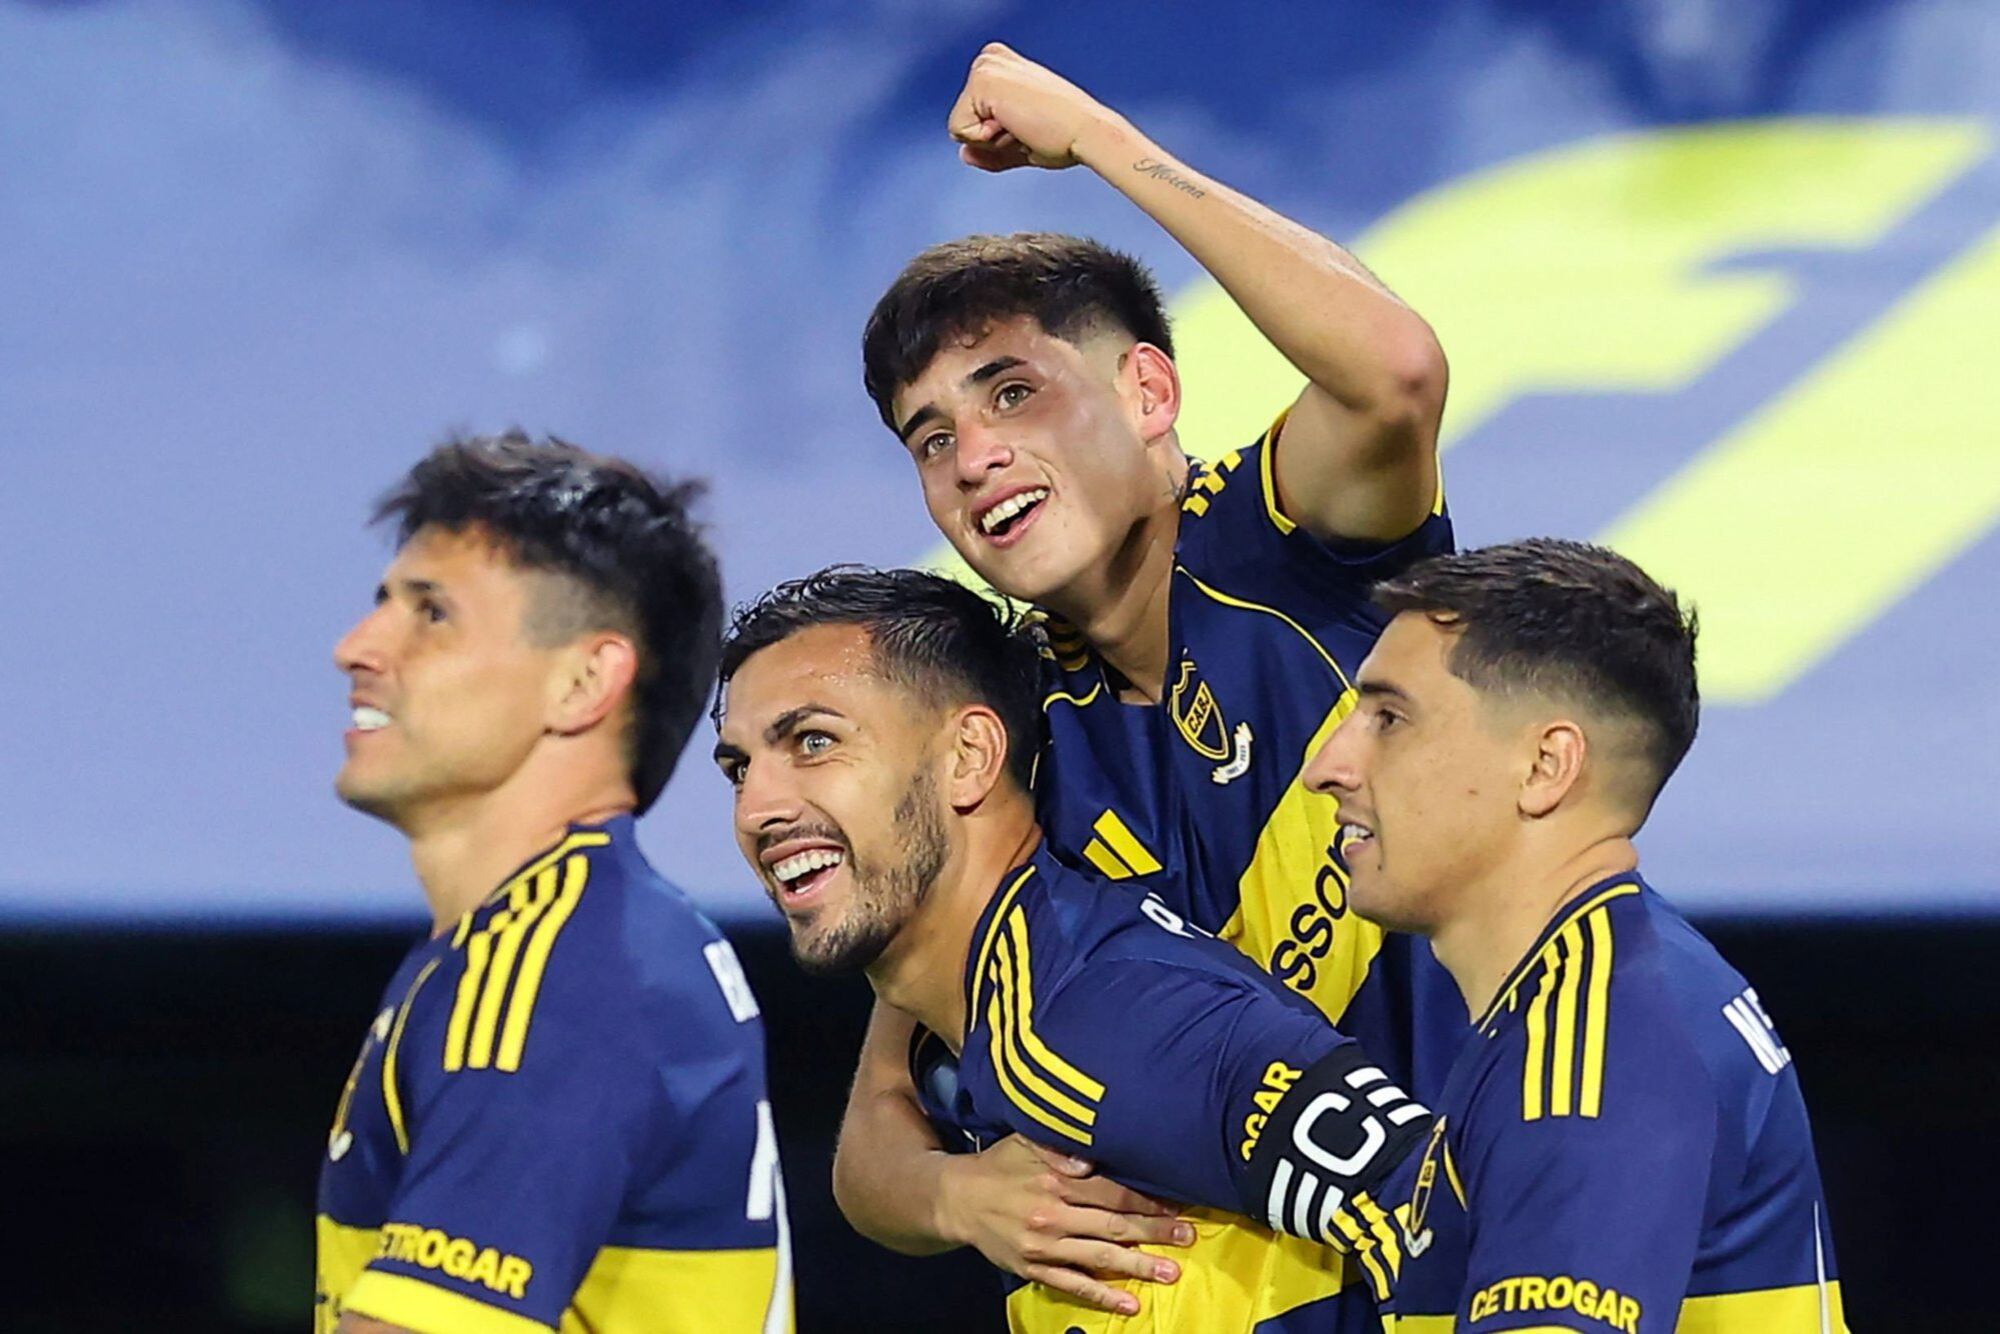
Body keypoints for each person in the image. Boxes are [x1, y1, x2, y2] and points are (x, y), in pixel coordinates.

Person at [840, 42, 1459, 1319]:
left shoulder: (1280, 544)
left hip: (1484, 1252)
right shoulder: (1003, 734)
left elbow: (1395, 371)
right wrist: (960, 1196)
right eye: (931, 437)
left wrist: (1099, 141)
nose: (973, 457)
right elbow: (870, 1138)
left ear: (1147, 389)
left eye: (1014, 392)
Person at [711, 567, 1433, 1331]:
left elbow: (1438, 1204)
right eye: (739, 769)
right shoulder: (996, 1008)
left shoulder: (1098, 1017)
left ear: (969, 757)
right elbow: (868, 1171)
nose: (757, 810)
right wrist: (949, 1195)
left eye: (814, 742)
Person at [1301, 538, 1848, 1331]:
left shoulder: (1595, 1055)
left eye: (1389, 719)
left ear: (1545, 767)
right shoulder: (1615, 992)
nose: (1327, 767)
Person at [316, 434, 791, 1334]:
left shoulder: (562, 976)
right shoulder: (582, 941)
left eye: (432, 613)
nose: (356, 648)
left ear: (583, 681)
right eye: (383, 604)